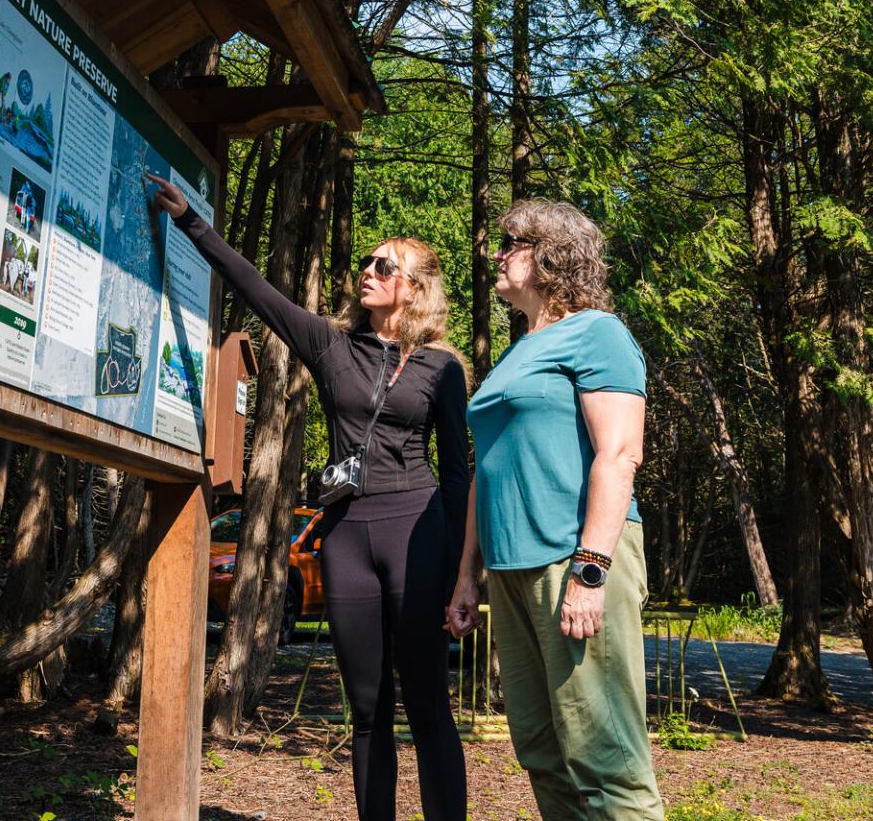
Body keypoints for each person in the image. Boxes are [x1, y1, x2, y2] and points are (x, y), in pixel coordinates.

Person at [145, 172, 469, 821]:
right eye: (368, 261)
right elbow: (257, 290)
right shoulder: (331, 345)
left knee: (429, 705)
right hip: (347, 535)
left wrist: (465, 579)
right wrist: (190, 221)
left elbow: (461, 472)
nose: (368, 270)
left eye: (385, 264)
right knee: (368, 707)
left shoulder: (443, 365)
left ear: (414, 288)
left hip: (419, 530)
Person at [446, 198, 661, 821]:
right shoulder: (520, 350)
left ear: (550, 254)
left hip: (575, 557)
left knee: (604, 755)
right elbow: (487, 472)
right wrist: (468, 573)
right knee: (541, 749)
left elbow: (619, 454)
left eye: (510, 242)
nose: (497, 254)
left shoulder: (598, 332)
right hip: (511, 571)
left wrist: (590, 571)